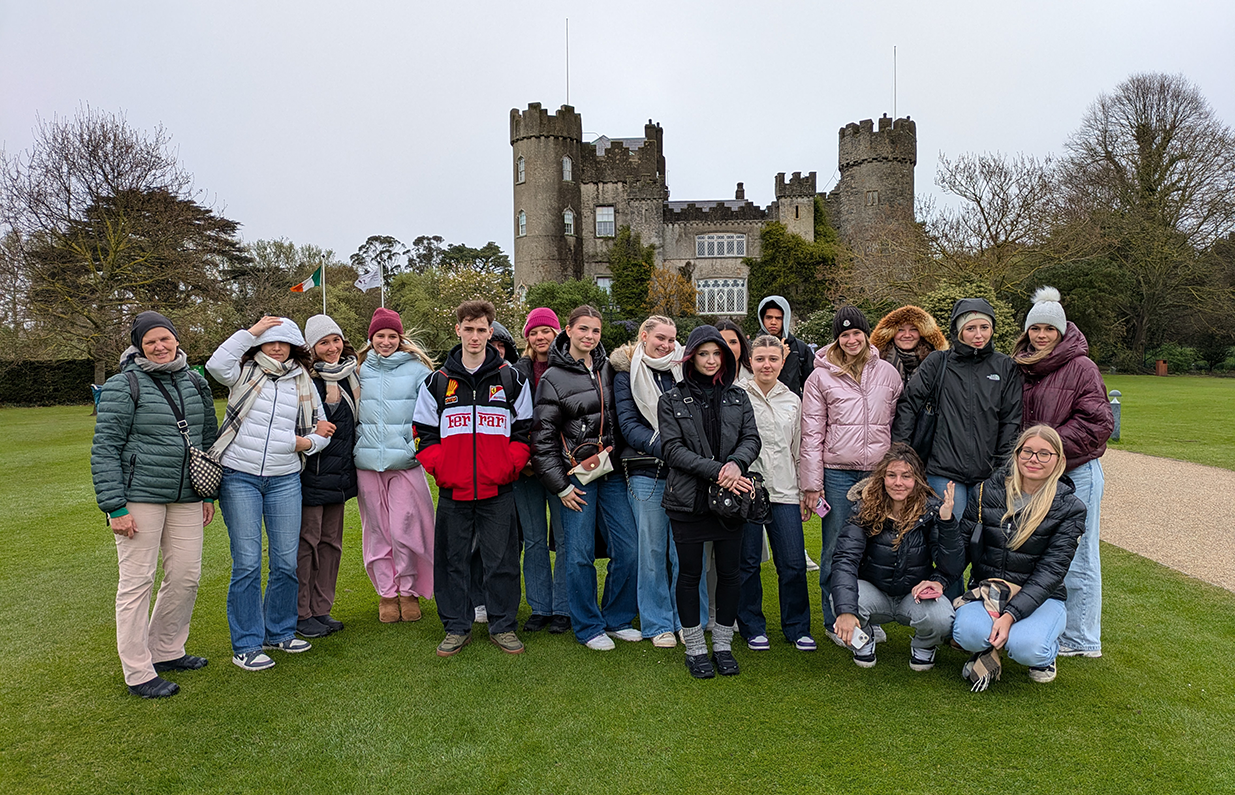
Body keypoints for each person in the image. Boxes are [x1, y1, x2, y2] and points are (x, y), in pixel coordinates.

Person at [91, 311, 219, 697]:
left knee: (185, 576)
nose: (159, 347)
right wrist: (115, 507)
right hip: (139, 497)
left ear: (177, 340)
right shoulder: (123, 384)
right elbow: (105, 447)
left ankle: (166, 649)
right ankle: (138, 672)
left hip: (186, 496)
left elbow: (206, 438)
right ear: (139, 347)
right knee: (137, 583)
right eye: (150, 342)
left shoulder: (195, 381)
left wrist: (206, 493)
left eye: (165, 339)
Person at [207, 316, 333, 671]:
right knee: (247, 562)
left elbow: (322, 427)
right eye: (269, 341)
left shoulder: (302, 379)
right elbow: (216, 364)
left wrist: (307, 443)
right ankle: (246, 644)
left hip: (284, 479)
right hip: (240, 476)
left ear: (294, 346)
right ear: (259, 344)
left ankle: (279, 632)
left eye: (283, 342)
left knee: (285, 562)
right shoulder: (242, 373)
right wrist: (251, 331)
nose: (276, 347)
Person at [415, 301, 533, 657]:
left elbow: (525, 431)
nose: (475, 336)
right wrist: (442, 468)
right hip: (454, 490)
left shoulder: (512, 379)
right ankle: (456, 626)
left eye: (482, 330)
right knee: (453, 561)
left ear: (490, 332)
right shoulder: (437, 381)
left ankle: (503, 626)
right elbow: (423, 433)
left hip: (498, 489)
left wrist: (509, 466)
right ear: (458, 331)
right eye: (469, 329)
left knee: (502, 561)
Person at [530, 305, 640, 651]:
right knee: (579, 553)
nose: (589, 336)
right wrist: (561, 486)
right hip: (577, 477)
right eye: (583, 329)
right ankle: (589, 626)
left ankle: (617, 618)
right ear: (568, 330)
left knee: (629, 548)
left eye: (595, 331)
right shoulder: (552, 377)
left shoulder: (610, 367)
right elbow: (542, 439)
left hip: (611, 472)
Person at [1013, 287, 1113, 658]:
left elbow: (1097, 422)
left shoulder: (1082, 367)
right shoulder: (1022, 367)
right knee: (1036, 550)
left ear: (1062, 331)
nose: (1041, 335)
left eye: (1049, 329)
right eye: (1035, 328)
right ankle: (1040, 624)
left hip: (1076, 470)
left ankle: (1082, 637)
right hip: (1033, 473)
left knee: (1079, 553)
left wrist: (1046, 449)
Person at [658, 326, 762, 678]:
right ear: (691, 357)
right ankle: (695, 648)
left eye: (717, 354)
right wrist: (720, 471)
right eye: (704, 353)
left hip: (731, 499)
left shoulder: (738, 397)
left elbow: (751, 439)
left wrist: (736, 464)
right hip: (688, 499)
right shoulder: (671, 399)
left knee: (730, 573)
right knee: (690, 574)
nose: (711, 360)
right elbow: (672, 450)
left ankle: (722, 645)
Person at [952, 425, 1085, 688]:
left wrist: (1009, 615)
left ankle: (1045, 655)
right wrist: (946, 525)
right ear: (1017, 454)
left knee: (1027, 648)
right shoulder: (986, 491)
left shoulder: (1070, 508)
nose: (1034, 459)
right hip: (990, 590)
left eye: (1044, 454)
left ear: (1058, 460)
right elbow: (960, 551)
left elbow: (1051, 573)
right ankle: (988, 646)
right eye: (1028, 451)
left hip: (1041, 596)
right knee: (966, 634)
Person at [799, 306, 903, 640]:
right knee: (836, 547)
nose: (851, 340)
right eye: (844, 335)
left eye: (857, 332)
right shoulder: (820, 377)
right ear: (837, 339)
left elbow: (897, 424)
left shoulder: (888, 373)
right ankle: (834, 619)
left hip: (878, 474)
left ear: (866, 334)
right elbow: (811, 433)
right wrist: (812, 484)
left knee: (874, 547)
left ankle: (866, 615)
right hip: (837, 474)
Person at [892, 298, 1023, 541]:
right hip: (943, 470)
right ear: (958, 330)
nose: (978, 335)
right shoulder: (938, 362)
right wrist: (901, 454)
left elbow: (1010, 420)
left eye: (984, 327)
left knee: (986, 542)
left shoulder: (1005, 367)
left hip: (988, 474)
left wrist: (1002, 467)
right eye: (970, 328)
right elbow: (908, 405)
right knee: (950, 540)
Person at [830, 443, 962, 670]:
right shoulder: (864, 508)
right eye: (891, 475)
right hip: (874, 591)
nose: (898, 482)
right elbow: (845, 560)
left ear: (917, 479)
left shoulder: (931, 510)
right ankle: (865, 638)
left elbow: (951, 565)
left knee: (942, 618)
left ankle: (924, 645)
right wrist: (846, 611)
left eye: (906, 476)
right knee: (842, 601)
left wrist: (947, 522)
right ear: (882, 477)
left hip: (914, 595)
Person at [353, 308, 436, 625]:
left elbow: (431, 414)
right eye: (380, 336)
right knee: (378, 532)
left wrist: (413, 447)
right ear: (371, 338)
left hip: (405, 462)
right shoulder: (358, 370)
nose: (385, 341)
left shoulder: (417, 370)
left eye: (391, 336)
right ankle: (387, 594)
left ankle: (408, 591)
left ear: (400, 338)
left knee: (406, 529)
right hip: (366, 464)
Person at [611, 315, 689, 648]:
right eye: (660, 338)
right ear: (644, 336)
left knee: (683, 552)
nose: (667, 345)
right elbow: (629, 426)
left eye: (672, 339)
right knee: (652, 551)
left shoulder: (683, 369)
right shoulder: (625, 373)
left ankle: (686, 620)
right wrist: (672, 449)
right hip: (647, 472)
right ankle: (658, 624)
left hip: (685, 473)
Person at [737, 335, 814, 652]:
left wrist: (806, 490)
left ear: (783, 363)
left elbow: (799, 449)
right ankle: (751, 626)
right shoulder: (737, 395)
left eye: (773, 359)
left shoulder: (793, 400)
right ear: (750, 361)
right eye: (760, 359)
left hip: (785, 490)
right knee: (747, 564)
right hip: (749, 490)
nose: (766, 365)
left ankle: (797, 627)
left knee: (793, 564)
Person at [294, 314, 359, 639]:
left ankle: (322, 608)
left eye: (335, 340)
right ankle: (301, 612)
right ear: (312, 347)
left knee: (331, 544)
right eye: (323, 343)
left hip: (341, 476)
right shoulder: (304, 380)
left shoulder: (350, 376)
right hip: (312, 475)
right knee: (307, 544)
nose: (332, 348)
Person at [513, 308, 569, 634]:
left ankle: (562, 607)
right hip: (526, 469)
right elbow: (511, 418)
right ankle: (539, 607)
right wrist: (524, 457)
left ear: (557, 333)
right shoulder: (516, 371)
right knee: (533, 539)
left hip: (561, 467)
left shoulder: (568, 368)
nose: (540, 337)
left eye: (546, 331)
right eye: (534, 332)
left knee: (564, 539)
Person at [869, 305, 950, 387]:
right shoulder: (874, 365)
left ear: (922, 333)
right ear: (891, 334)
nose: (907, 335)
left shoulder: (938, 364)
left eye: (913, 329)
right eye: (900, 330)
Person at [756, 295, 813, 397]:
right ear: (762, 319)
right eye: (769, 317)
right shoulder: (752, 348)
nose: (773, 322)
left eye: (778, 318)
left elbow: (811, 386)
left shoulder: (800, 348)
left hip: (791, 404)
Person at [715, 318, 753, 384]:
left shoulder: (756, 378)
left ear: (741, 344)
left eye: (733, 342)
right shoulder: (701, 383)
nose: (728, 348)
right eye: (722, 342)